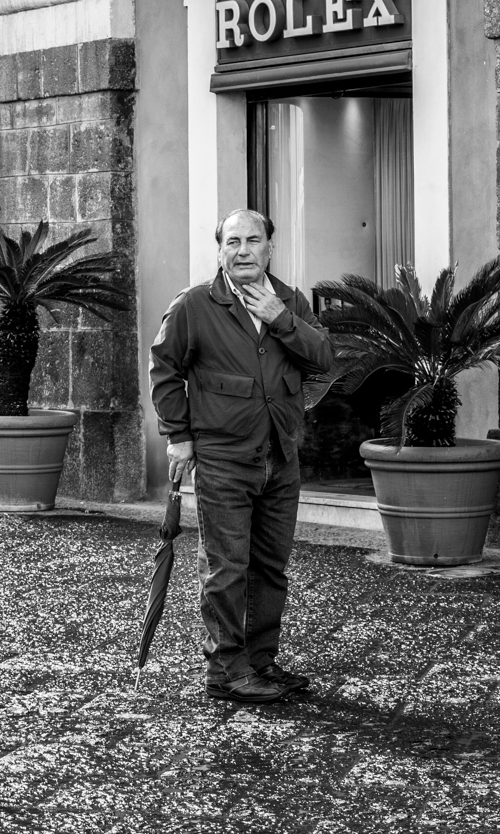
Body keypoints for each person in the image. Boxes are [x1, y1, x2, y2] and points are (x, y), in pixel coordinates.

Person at [149, 208, 332, 704]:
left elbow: (324, 358)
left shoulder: (290, 300)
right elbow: (164, 368)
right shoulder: (194, 304)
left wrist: (281, 319)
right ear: (220, 251)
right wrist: (178, 435)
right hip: (223, 456)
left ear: (270, 247)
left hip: (281, 454)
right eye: (233, 242)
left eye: (253, 240)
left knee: (270, 567)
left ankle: (260, 662)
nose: (243, 250)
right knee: (226, 567)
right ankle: (226, 670)